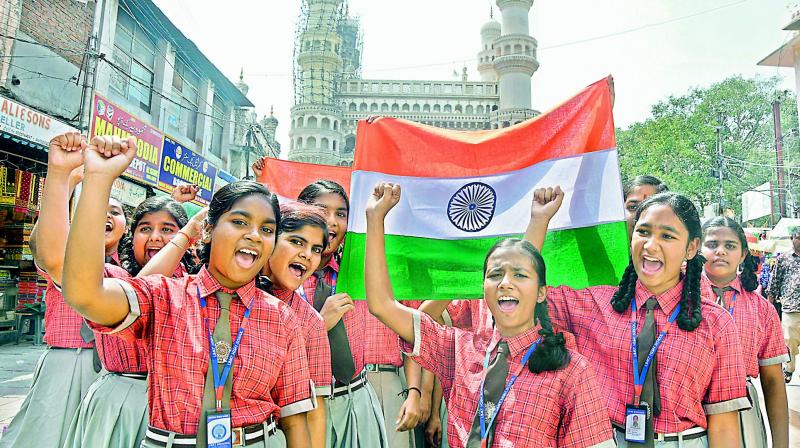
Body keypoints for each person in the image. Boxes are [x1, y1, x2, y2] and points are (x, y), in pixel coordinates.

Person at [61, 136, 314, 448]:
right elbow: (85, 294)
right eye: (239, 222)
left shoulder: (282, 317)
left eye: (266, 229)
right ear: (207, 230)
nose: (254, 236)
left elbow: (295, 418)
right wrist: (98, 181)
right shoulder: (164, 296)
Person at [364, 182, 614, 448]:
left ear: (542, 292)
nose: (505, 283)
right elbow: (382, 305)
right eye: (495, 275)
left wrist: (538, 220)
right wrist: (375, 218)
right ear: (482, 289)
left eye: (519, 275)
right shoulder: (458, 350)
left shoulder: (571, 370)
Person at [525, 186, 749, 447]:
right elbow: (525, 294)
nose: (650, 246)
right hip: (608, 439)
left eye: (667, 236)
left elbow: (723, 422)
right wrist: (539, 220)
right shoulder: (596, 304)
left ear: (691, 248)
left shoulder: (716, 323)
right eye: (643, 232)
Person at [0, 133, 122, 448]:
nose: (106, 215)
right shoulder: (67, 258)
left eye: (117, 211)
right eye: (98, 207)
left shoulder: (130, 273)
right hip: (68, 362)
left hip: (117, 376)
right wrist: (61, 177)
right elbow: (48, 251)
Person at [63, 195, 205, 447]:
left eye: (167, 229)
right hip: (120, 401)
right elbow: (138, 296)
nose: (155, 237)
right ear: (132, 236)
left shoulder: (197, 287)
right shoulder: (113, 277)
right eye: (145, 228)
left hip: (180, 406)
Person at [297, 180, 389, 447]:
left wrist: (376, 215)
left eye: (341, 214)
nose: (331, 221)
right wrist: (319, 323)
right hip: (305, 406)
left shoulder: (355, 270)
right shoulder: (282, 273)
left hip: (356, 398)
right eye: (321, 210)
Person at [700, 217, 789, 448]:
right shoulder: (679, 298)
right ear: (696, 249)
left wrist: (781, 444)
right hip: (691, 410)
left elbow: (772, 381)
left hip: (742, 412)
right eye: (712, 244)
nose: (720, 251)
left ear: (742, 255)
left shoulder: (762, 310)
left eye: (730, 246)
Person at [262, 202, 333, 447]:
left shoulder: (311, 324)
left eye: (316, 249)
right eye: (297, 242)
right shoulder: (230, 294)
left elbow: (314, 414)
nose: (307, 255)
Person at [768, 227, 800, 383]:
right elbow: (774, 283)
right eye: (798, 237)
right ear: (792, 238)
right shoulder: (784, 259)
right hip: (791, 308)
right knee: (789, 342)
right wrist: (768, 307)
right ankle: (789, 369)